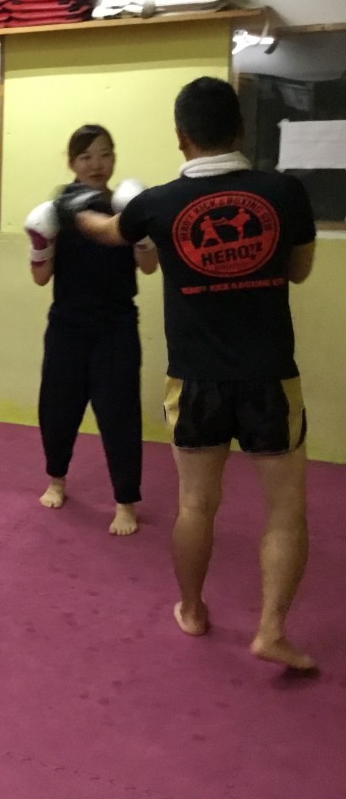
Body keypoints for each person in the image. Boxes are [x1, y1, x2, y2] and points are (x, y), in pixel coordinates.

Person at [68, 77, 318, 670]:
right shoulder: (285, 192)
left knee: (196, 506)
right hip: (269, 377)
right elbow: (299, 270)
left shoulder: (158, 203)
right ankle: (271, 631)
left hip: (195, 380)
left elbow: (107, 232)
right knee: (285, 510)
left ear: (181, 136)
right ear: (240, 129)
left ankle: (193, 609)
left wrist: (72, 208)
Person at [24, 125, 158, 536]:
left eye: (104, 154)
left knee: (119, 413)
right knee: (57, 408)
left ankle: (125, 502)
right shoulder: (58, 212)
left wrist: (143, 233)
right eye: (86, 157)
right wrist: (40, 244)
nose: (96, 164)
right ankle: (57, 479)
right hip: (67, 325)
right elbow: (40, 278)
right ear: (72, 163)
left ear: (114, 158)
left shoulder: (126, 208)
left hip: (116, 325)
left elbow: (149, 267)